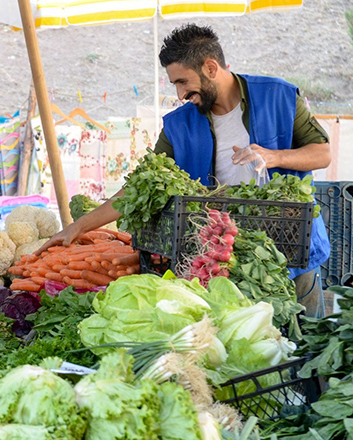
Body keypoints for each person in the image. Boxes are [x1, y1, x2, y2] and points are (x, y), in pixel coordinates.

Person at [41, 24, 331, 317]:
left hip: (291, 255)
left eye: (183, 82)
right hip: (222, 259)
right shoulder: (177, 126)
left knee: (307, 345)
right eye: (175, 85)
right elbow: (140, 187)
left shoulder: (278, 96)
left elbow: (322, 153)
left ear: (210, 67)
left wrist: (273, 156)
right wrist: (77, 228)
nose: (180, 94)